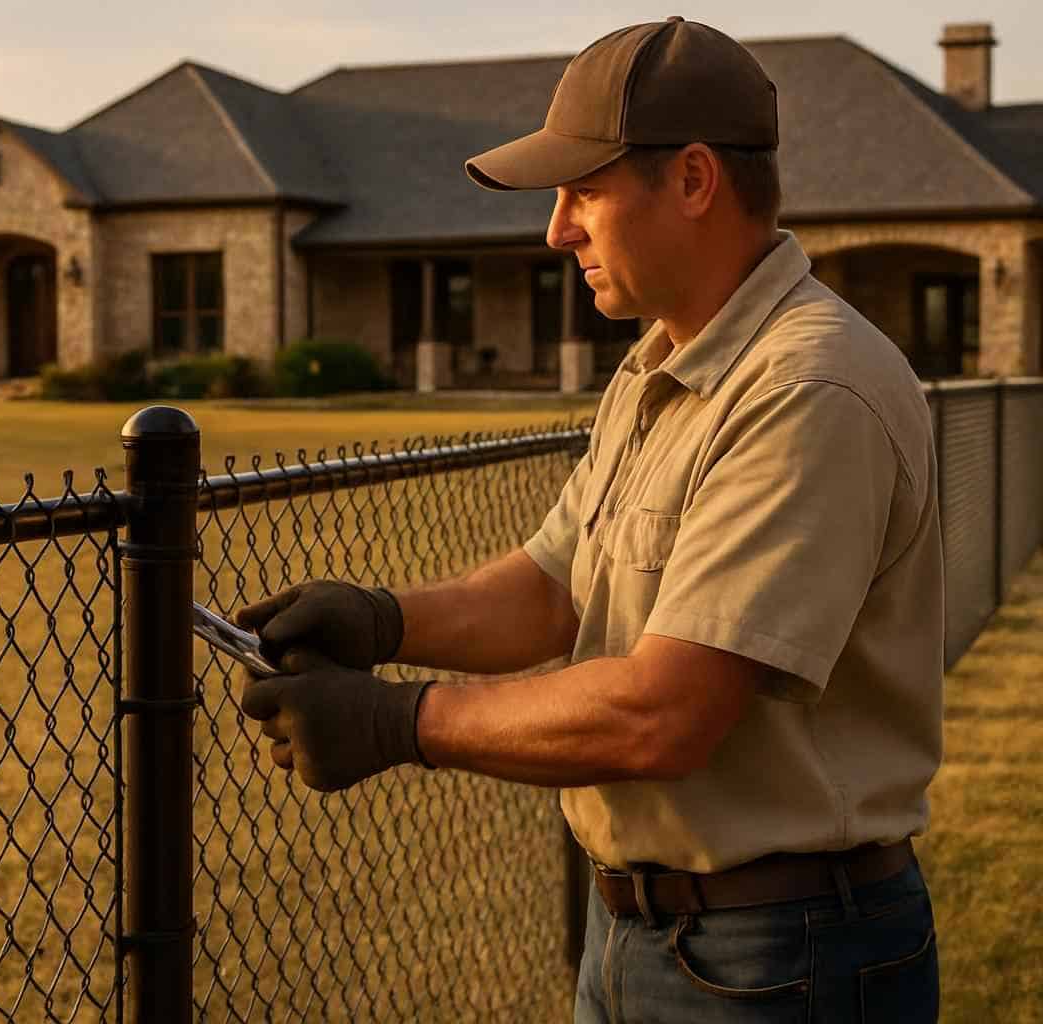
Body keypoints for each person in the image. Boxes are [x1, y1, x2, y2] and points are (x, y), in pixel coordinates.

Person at [234, 17, 943, 1023]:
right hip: (646, 937)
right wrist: (379, 618)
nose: (556, 229)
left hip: (786, 959)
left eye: (584, 190)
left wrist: (399, 721)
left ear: (694, 180)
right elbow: (551, 585)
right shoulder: (664, 363)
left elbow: (665, 711)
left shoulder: (808, 386)